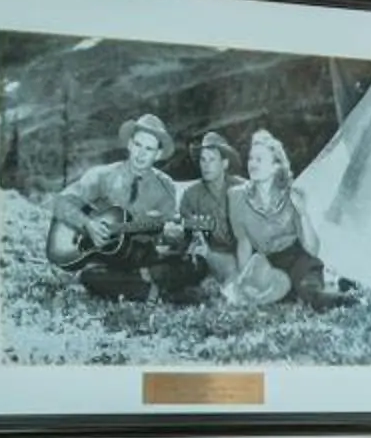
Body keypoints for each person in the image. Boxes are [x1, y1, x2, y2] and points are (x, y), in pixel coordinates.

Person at [46, 112, 205, 301]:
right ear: (129, 144)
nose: (141, 154)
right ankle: (149, 288)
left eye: (149, 148)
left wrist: (174, 236)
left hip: (139, 256)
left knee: (197, 265)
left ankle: (135, 284)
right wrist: (87, 224)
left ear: (158, 154)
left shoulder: (166, 187)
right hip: (102, 259)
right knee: (92, 275)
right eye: (137, 145)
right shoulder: (102, 175)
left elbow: (168, 239)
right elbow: (61, 202)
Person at [227, 127, 354, 306]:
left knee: (309, 294)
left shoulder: (293, 195)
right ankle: (329, 286)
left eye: (259, 159)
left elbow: (312, 249)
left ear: (275, 167)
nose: (252, 164)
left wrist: (303, 214)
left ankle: (345, 297)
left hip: (296, 257)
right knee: (270, 298)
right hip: (266, 263)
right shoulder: (236, 197)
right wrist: (245, 279)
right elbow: (244, 244)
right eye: (251, 158)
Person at [175, 129, 244, 288]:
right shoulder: (191, 195)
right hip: (207, 257)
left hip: (241, 255)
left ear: (225, 163)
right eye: (203, 160)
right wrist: (186, 234)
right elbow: (186, 235)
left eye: (212, 160)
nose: (206, 165)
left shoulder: (242, 189)